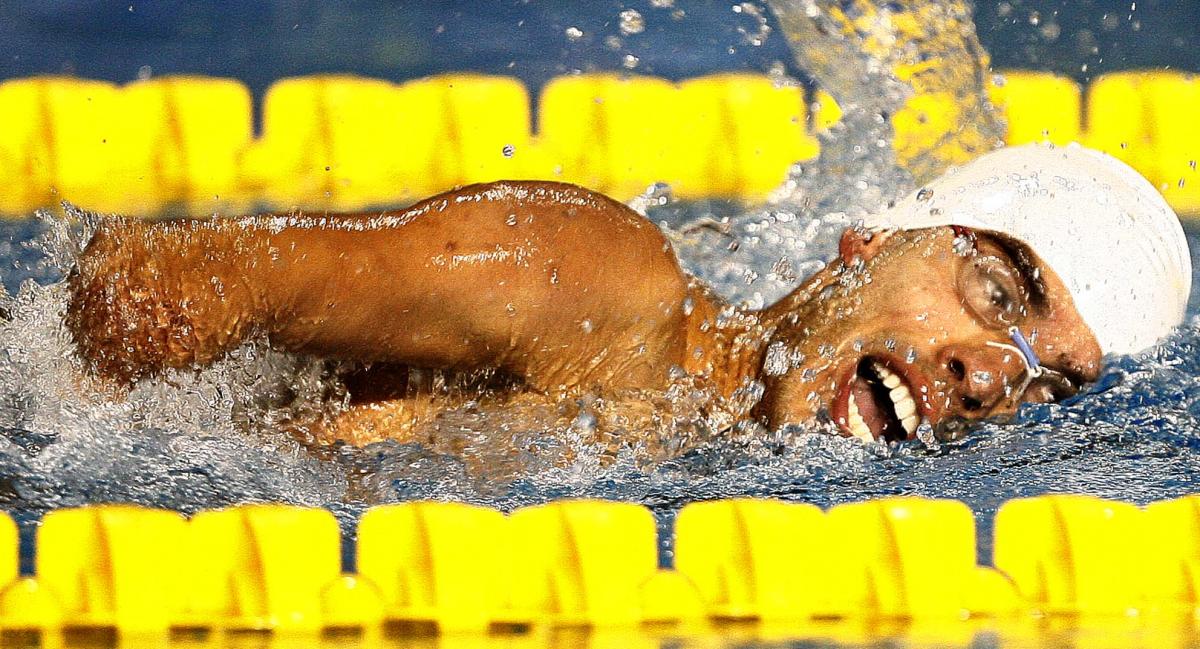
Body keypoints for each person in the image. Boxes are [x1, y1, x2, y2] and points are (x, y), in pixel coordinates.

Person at [64, 143, 1191, 446]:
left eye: (1046, 385)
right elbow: (155, 284)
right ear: (869, 240)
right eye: (996, 292)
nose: (992, 375)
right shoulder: (589, 287)